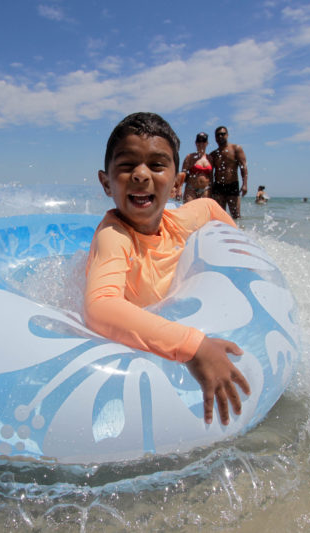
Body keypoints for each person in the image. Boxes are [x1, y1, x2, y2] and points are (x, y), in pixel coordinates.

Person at [84, 112, 250, 425]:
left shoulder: (178, 221)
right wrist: (194, 346)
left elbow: (211, 207)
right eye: (127, 165)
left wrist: (242, 251)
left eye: (157, 165)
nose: (141, 174)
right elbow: (100, 307)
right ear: (106, 183)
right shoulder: (114, 237)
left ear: (176, 183)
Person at [209, 126, 248, 219]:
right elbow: (210, 173)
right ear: (215, 138)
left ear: (227, 135)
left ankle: (239, 232)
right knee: (219, 216)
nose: (220, 136)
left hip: (232, 185)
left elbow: (243, 167)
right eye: (218, 135)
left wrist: (245, 184)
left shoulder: (236, 149)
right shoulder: (213, 154)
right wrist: (210, 188)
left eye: (223, 134)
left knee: (236, 216)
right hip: (218, 187)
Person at [181, 132, 213, 202]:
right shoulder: (189, 157)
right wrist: (179, 190)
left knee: (204, 212)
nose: (201, 143)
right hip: (191, 189)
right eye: (199, 141)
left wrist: (212, 190)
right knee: (190, 211)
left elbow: (211, 177)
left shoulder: (210, 158)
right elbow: (183, 175)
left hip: (205, 190)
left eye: (203, 141)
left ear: (207, 143)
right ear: (196, 143)